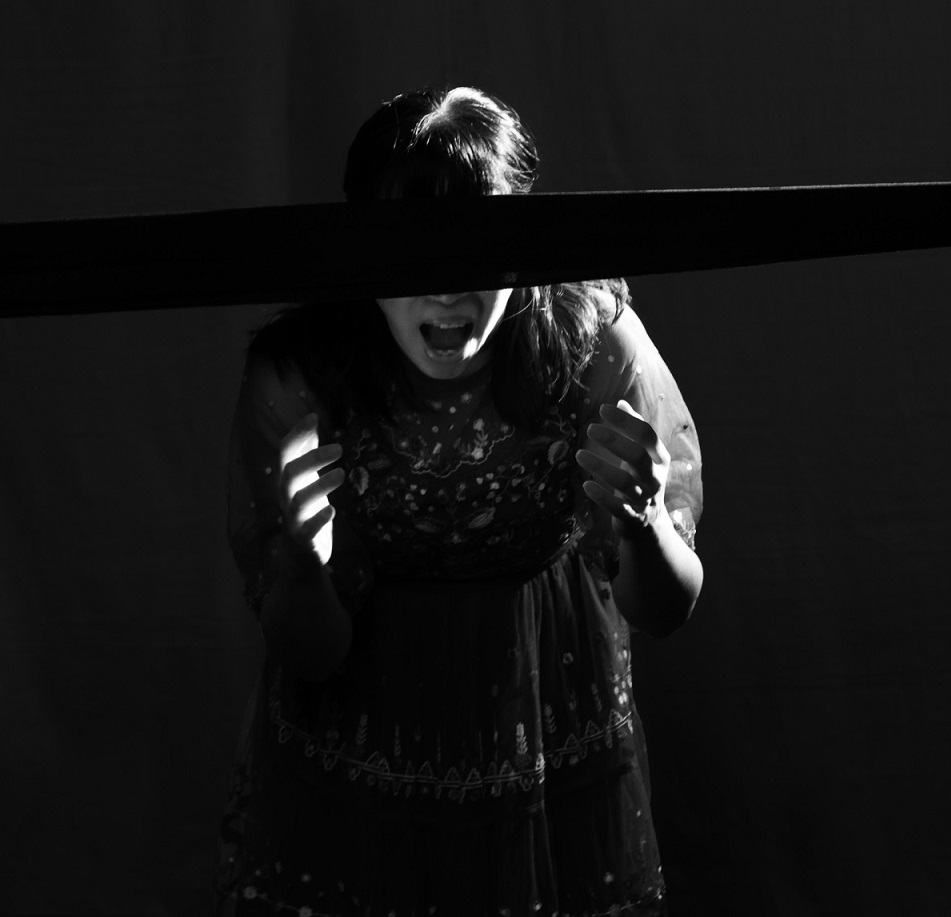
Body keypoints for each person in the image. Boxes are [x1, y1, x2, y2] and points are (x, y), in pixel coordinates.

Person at [215, 86, 705, 916]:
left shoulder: (592, 344)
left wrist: (647, 523)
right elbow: (308, 651)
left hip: (546, 711)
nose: (445, 290)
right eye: (409, 253)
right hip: (361, 734)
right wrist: (301, 561)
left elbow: (668, 609)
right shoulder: (300, 380)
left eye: (477, 249)